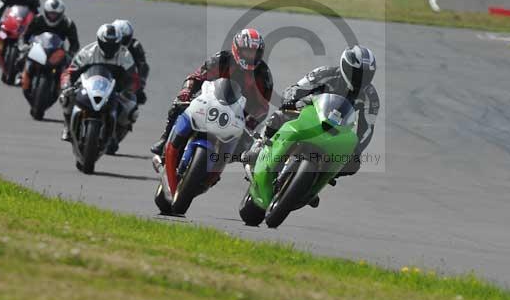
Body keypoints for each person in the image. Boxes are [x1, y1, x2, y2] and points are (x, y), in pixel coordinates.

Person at [243, 46, 379, 205]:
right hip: (309, 114)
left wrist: (357, 149)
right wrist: (291, 101)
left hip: (338, 130)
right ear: (345, 66)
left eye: (366, 75)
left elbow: (367, 128)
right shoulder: (325, 73)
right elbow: (297, 88)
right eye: (356, 74)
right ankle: (258, 147)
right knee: (278, 117)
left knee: (353, 163)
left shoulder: (370, 96)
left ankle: (316, 182)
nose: (360, 79)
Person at [149, 28, 273, 161]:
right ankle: (165, 139)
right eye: (247, 51)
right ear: (237, 48)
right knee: (178, 106)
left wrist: (250, 122)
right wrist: (186, 91)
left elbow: (262, 106)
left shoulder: (263, 74)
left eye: (254, 52)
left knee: (243, 150)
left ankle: (216, 169)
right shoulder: (222, 59)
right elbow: (196, 77)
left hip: (237, 117)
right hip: (208, 102)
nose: (250, 56)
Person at [58, 23, 140, 144]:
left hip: (114, 91)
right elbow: (70, 72)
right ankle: (67, 126)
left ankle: (117, 135)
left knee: (132, 109)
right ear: (99, 40)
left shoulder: (126, 56)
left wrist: (130, 90)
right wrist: (67, 84)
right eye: (106, 44)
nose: (110, 48)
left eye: (113, 45)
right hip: (86, 88)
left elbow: (133, 79)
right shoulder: (87, 52)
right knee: (66, 96)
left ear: (119, 42)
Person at [112, 20, 149, 105]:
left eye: (124, 39)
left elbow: (143, 66)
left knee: (133, 107)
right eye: (118, 39)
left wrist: (139, 88)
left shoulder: (135, 46)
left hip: (126, 81)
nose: (121, 43)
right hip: (106, 78)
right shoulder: (106, 45)